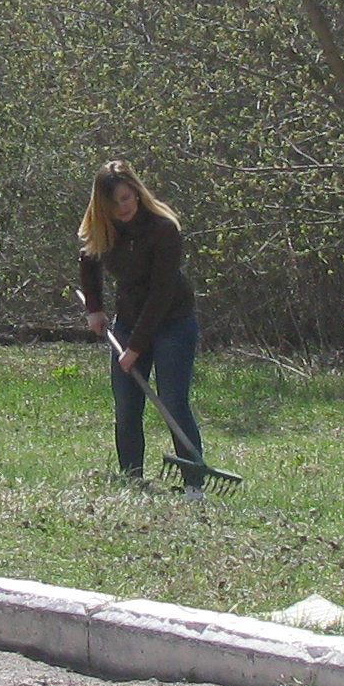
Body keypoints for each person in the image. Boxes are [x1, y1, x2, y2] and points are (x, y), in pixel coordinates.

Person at [76, 160, 206, 492]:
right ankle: (132, 479)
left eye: (127, 198)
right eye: (115, 202)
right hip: (129, 319)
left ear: (137, 192)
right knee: (127, 404)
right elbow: (89, 261)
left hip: (173, 322)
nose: (123, 207)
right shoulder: (104, 228)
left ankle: (194, 485)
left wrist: (134, 348)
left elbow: (161, 295)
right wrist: (95, 309)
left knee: (173, 402)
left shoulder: (164, 229)